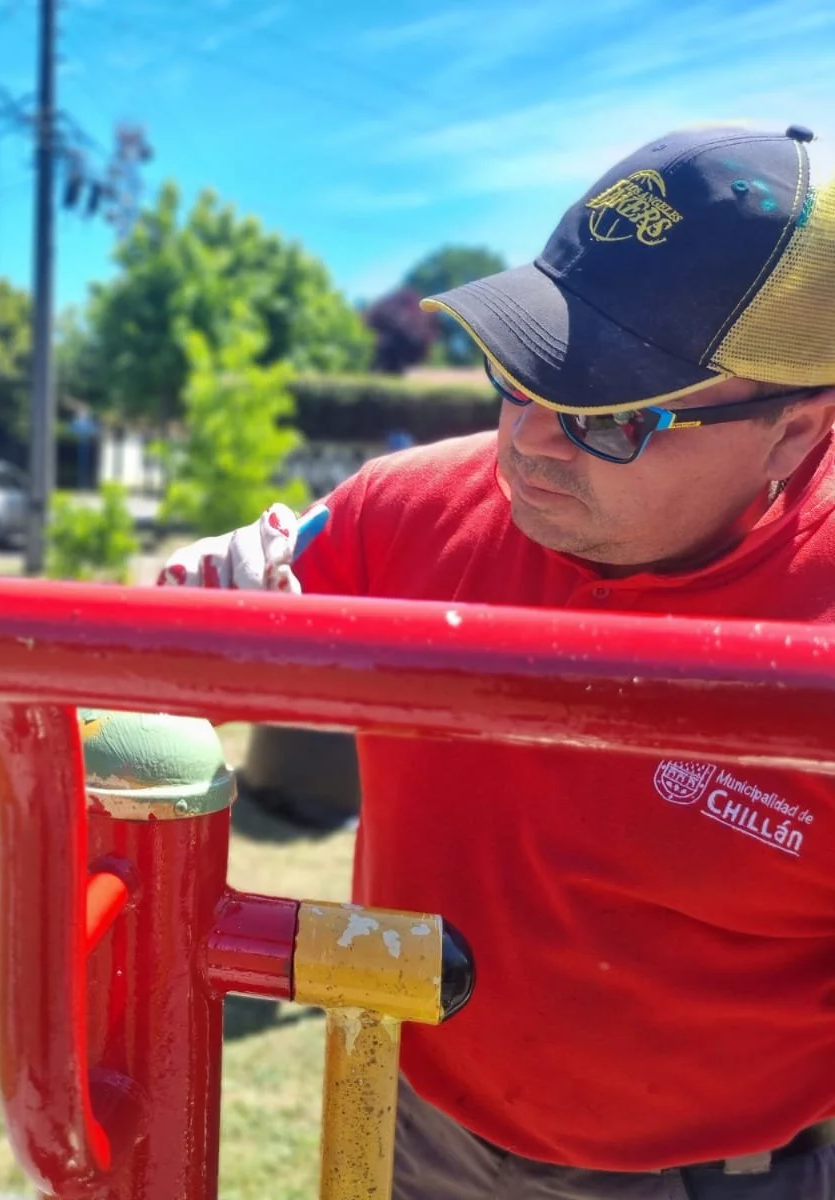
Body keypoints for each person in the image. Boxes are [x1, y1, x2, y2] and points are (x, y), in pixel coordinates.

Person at [161, 123, 835, 1198]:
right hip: (413, 1123)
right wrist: (196, 598)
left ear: (794, 434)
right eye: (520, 371)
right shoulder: (406, 510)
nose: (528, 442)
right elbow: (159, 665)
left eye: (615, 414)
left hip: (711, 1175)